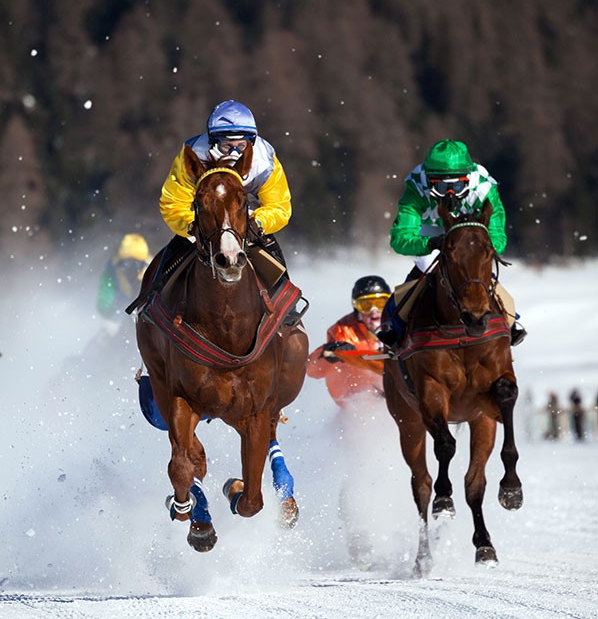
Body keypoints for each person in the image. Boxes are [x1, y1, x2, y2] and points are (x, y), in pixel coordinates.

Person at [378, 139, 526, 350]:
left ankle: (511, 321)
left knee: (474, 270)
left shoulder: (484, 189)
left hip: (470, 237)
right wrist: (431, 243)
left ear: (468, 179)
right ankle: (396, 328)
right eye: (440, 186)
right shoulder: (416, 187)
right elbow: (400, 238)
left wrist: (473, 248)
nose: (449, 194)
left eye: (456, 186)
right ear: (429, 181)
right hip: (431, 232)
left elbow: (498, 239)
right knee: (425, 269)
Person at [156, 99, 293, 288]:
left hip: (247, 220)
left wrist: (258, 223)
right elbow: (173, 203)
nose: (235, 152)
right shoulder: (192, 156)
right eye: (227, 146)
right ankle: (151, 300)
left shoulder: (265, 161)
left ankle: (287, 312)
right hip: (204, 222)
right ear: (213, 142)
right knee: (163, 269)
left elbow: (279, 206)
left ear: (251, 142)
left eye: (241, 146)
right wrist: (191, 226)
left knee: (280, 275)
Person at [307, 275, 389, 406]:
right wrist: (330, 353)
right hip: (358, 401)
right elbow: (312, 370)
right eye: (366, 305)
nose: (374, 311)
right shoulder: (344, 331)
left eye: (380, 304)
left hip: (399, 397)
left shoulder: (400, 325)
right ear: (357, 308)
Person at [97, 233, 152, 321]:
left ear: (143, 263)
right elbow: (105, 297)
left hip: (143, 317)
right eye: (128, 263)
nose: (132, 268)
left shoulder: (152, 271)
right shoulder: (113, 270)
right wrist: (112, 319)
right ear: (121, 261)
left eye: (137, 264)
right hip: (118, 313)